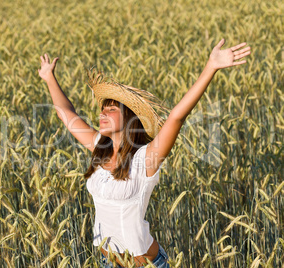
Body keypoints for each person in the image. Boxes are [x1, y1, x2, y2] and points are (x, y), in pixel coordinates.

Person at [38, 38, 251, 268]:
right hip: (106, 262)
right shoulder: (99, 147)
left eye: (111, 109)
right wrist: (49, 77)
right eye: (102, 109)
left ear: (129, 118)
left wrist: (210, 67)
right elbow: (66, 114)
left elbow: (176, 117)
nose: (102, 113)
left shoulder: (145, 159)